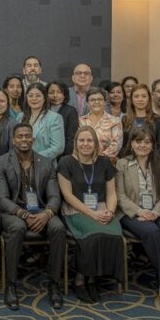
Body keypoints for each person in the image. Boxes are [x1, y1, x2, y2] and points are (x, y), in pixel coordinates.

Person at [0, 123, 65, 310]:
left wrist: (47, 213)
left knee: (58, 228)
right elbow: (1, 199)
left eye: (27, 136)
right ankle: (11, 285)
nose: (24, 139)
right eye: (20, 136)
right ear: (13, 140)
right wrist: (24, 214)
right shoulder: (2, 162)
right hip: (13, 212)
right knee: (17, 228)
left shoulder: (46, 162)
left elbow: (54, 196)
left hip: (41, 211)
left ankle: (54, 283)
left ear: (33, 139)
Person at [116, 127, 160, 304]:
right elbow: (120, 196)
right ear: (131, 144)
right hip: (132, 212)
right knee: (152, 233)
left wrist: (155, 212)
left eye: (147, 142)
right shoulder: (122, 164)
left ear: (153, 145)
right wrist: (140, 211)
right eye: (138, 141)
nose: (143, 145)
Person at [57, 126, 123, 303]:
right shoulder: (66, 162)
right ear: (76, 143)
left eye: (89, 140)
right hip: (75, 209)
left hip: (102, 208)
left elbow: (111, 193)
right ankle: (80, 280)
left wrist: (109, 212)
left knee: (113, 233)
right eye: (82, 140)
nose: (85, 144)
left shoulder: (104, 162)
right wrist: (92, 215)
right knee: (94, 235)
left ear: (95, 144)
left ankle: (93, 279)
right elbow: (67, 196)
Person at [122, 84, 160, 158]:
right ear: (131, 99)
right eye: (136, 96)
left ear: (149, 98)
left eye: (144, 96)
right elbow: (123, 145)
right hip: (129, 163)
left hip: (152, 162)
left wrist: (149, 162)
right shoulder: (125, 119)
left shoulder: (158, 120)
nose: (140, 99)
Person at [23, 83, 64, 162]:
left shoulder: (54, 118)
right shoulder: (20, 117)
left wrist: (33, 158)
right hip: (21, 165)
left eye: (38, 95)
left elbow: (58, 147)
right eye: (30, 95)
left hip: (43, 166)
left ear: (44, 98)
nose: (34, 98)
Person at [79, 87, 122, 160]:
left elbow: (116, 145)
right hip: (83, 161)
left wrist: (98, 159)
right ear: (87, 103)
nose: (96, 102)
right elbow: (78, 142)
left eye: (100, 99)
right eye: (92, 100)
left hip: (107, 162)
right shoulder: (80, 121)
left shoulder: (115, 121)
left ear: (105, 102)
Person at [48, 81, 78, 158]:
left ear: (64, 95)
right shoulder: (43, 110)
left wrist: (64, 158)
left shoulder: (70, 111)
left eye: (59, 92)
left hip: (63, 155)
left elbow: (71, 138)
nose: (55, 95)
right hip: (45, 153)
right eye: (51, 92)